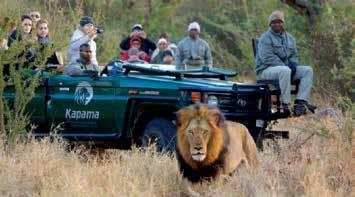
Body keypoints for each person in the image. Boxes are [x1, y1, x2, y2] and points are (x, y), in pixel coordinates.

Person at [255, 10, 316, 116]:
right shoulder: (265, 38)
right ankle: (286, 104)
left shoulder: (290, 39)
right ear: (270, 24)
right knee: (285, 70)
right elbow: (267, 58)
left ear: (283, 23)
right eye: (274, 22)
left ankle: (300, 103)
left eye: (279, 22)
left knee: (307, 70)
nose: (277, 24)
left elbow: (294, 54)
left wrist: (293, 63)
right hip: (265, 69)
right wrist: (285, 66)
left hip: (285, 70)